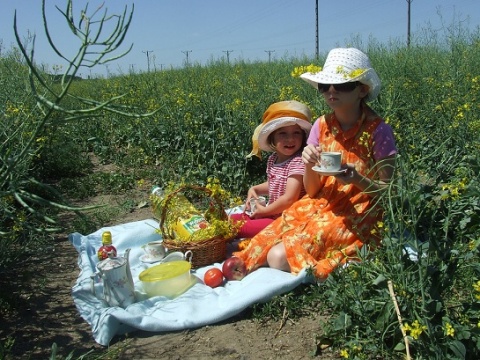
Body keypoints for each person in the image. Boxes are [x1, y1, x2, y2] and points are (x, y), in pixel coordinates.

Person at [233, 47, 398, 280]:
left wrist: (355, 179)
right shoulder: (320, 126)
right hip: (318, 203)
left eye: (341, 85)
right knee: (265, 243)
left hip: (358, 212)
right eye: (325, 86)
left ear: (362, 90)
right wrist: (308, 163)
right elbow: (312, 190)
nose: (331, 92)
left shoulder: (379, 131)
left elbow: (388, 192)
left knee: (278, 257)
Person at [230, 100, 313, 238]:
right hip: (272, 214)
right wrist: (255, 189)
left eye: (296, 133)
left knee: (237, 228)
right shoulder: (273, 159)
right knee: (232, 218)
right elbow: (275, 183)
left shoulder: (298, 161)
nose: (290, 139)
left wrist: (265, 211)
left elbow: (289, 199)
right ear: (272, 138)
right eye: (283, 134)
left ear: (303, 137)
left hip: (285, 220)